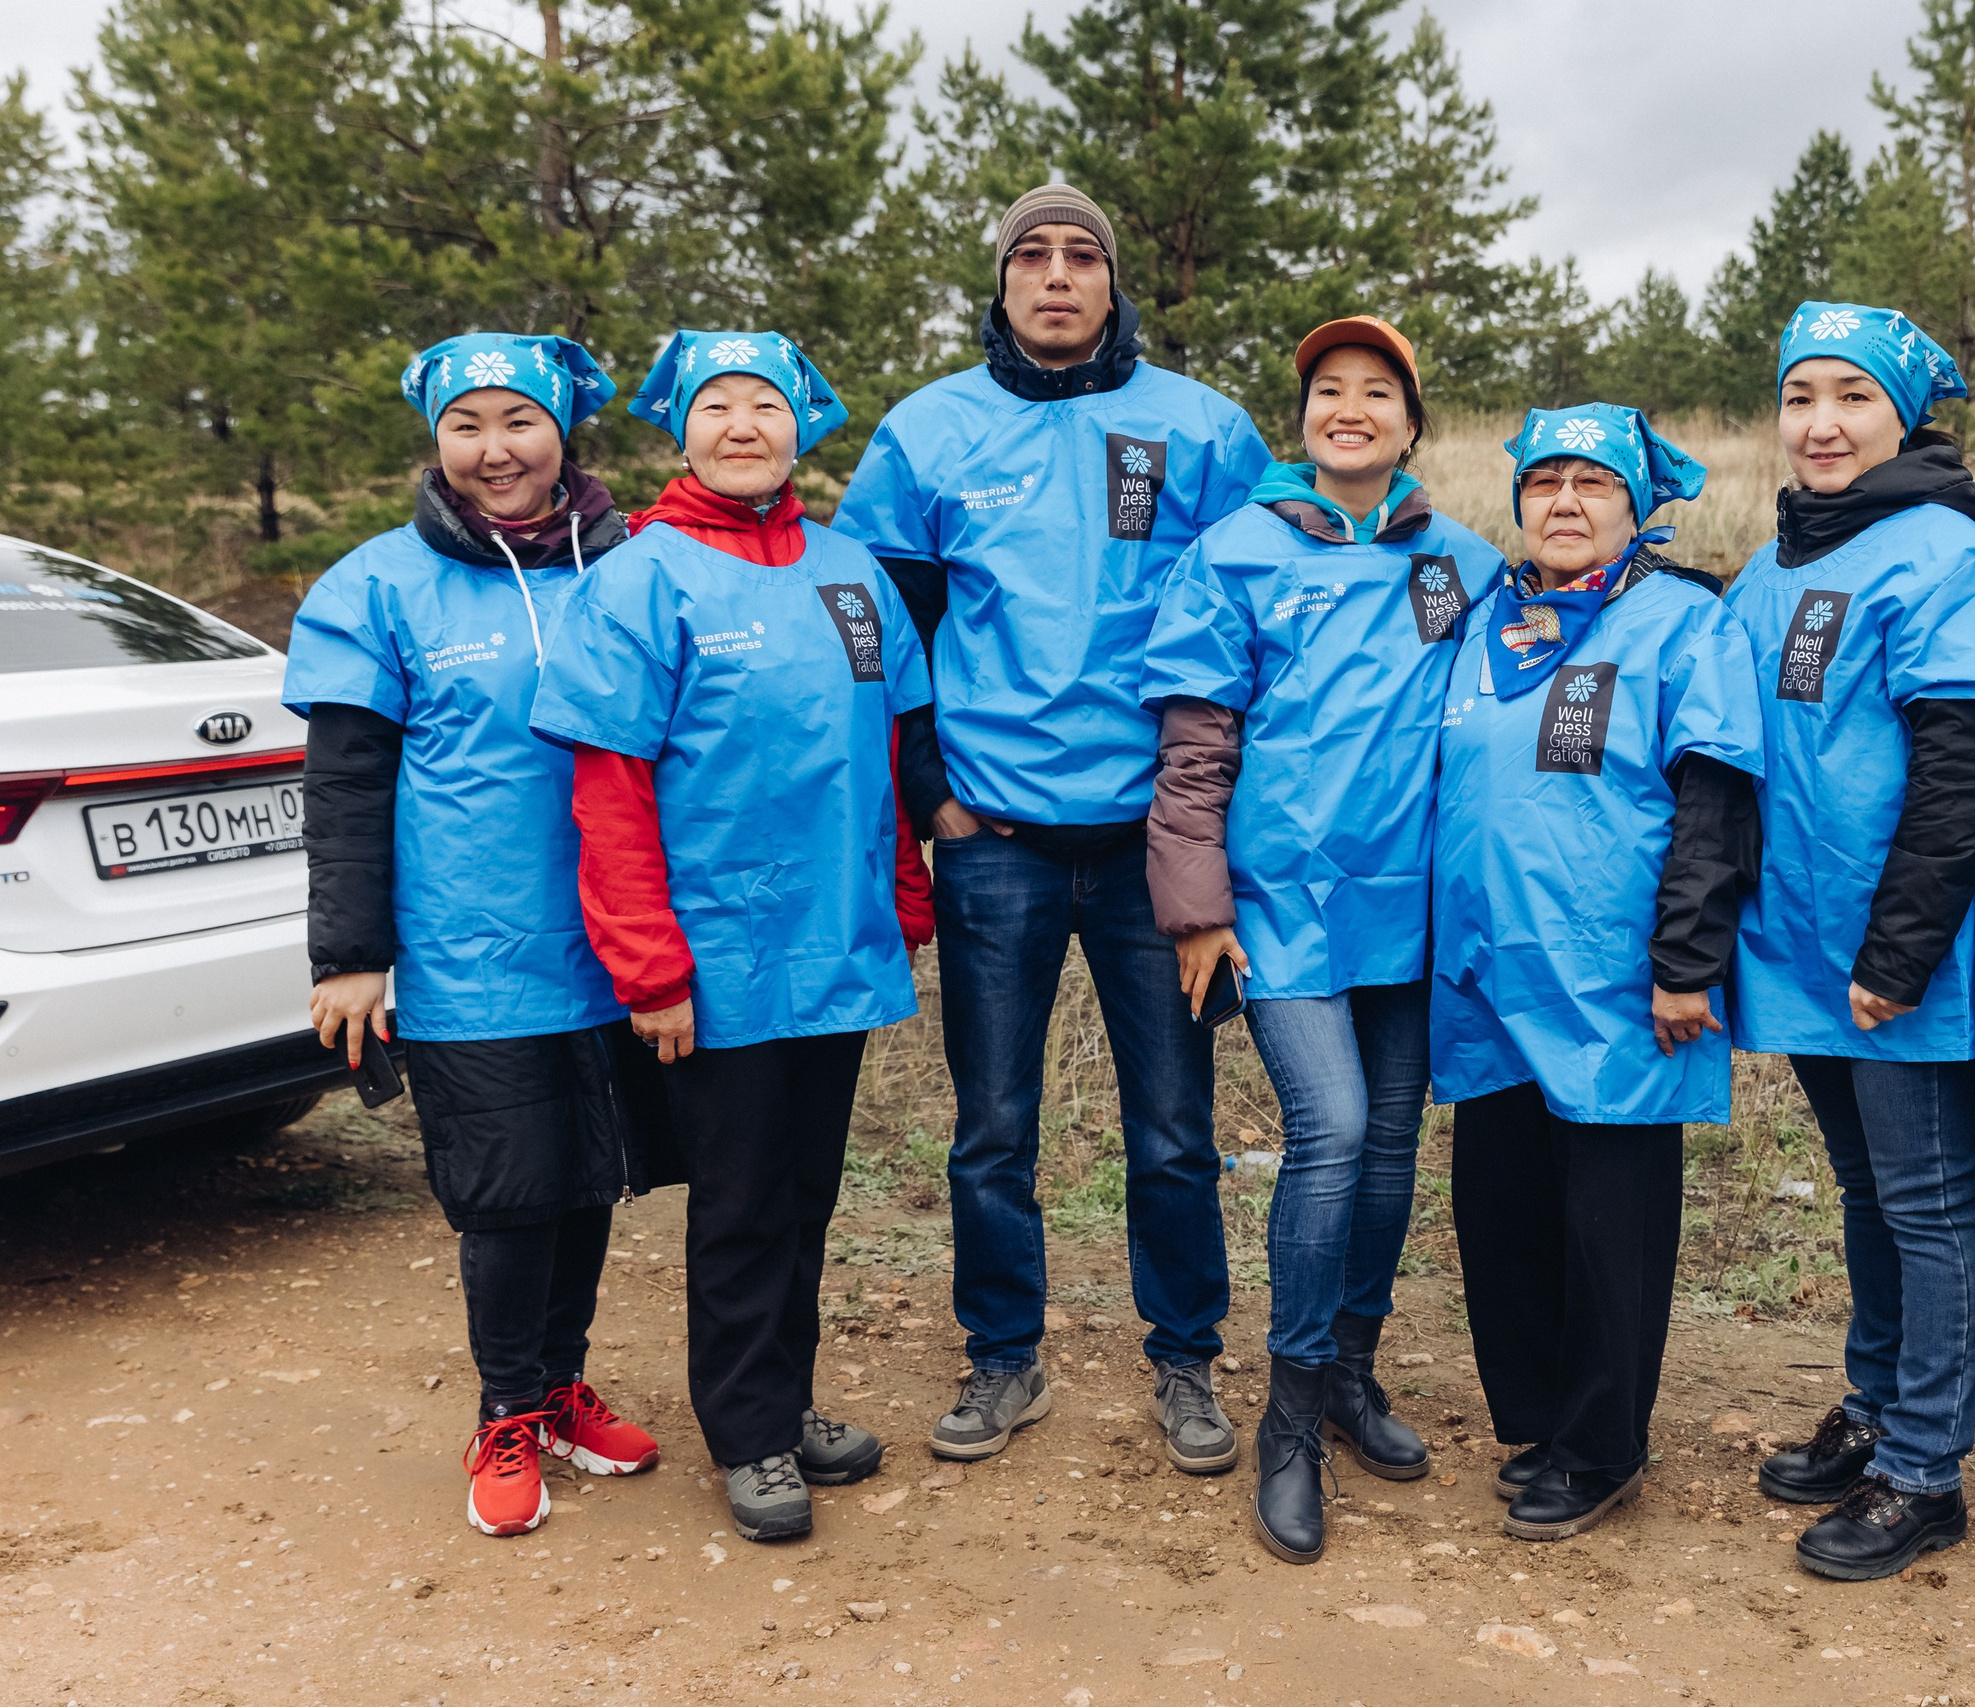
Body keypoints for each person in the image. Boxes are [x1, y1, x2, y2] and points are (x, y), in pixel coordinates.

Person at [832, 184, 1272, 1472]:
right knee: (993, 1126)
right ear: (1004, 281)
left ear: (1113, 280)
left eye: (1083, 255)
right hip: (999, 844)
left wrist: (1218, 818)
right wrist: (930, 800)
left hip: (1155, 851)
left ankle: (1185, 1360)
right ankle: (1001, 1357)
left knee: (1175, 1128)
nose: (1059, 276)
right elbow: (884, 637)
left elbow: (1260, 621)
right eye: (1034, 255)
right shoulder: (927, 433)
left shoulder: (1202, 429)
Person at [530, 329, 932, 1544]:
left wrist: (907, 905)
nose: (743, 426)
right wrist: (647, 967)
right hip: (716, 960)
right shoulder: (639, 578)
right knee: (745, 1201)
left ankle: (786, 1400)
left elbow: (896, 752)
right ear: (681, 428)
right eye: (718, 407)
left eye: (765, 405)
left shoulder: (852, 571)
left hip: (838, 947)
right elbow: (607, 789)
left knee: (809, 1193)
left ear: (801, 424)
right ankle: (749, 1433)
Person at [288, 332, 664, 1539]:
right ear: (436, 440)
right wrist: (349, 955)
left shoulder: (631, 569)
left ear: (563, 432)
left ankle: (560, 1390)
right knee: (508, 1195)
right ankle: (505, 1412)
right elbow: (347, 789)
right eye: (467, 426)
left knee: (591, 1181)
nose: (494, 449)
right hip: (471, 954)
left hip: (615, 944)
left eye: (518, 421)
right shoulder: (379, 586)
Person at [1140, 315, 1504, 1563]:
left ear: (1411, 423)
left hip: (1414, 904)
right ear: (1301, 420)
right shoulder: (1233, 551)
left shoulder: (1459, 560)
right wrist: (1195, 907)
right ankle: (1289, 1417)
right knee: (1333, 1130)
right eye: (1327, 391)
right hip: (1284, 899)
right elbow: (1193, 751)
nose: (1350, 408)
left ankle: (1353, 1371)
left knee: (1395, 1146)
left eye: (1377, 392)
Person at [1725, 304, 1975, 1581]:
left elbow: (1962, 767)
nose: (1820, 422)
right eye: (1801, 395)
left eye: (1851, 398)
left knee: (1923, 1197)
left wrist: (1899, 953)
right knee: (1866, 1189)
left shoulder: (1941, 554)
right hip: (1801, 943)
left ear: (1903, 418)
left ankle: (1925, 1468)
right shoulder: (1776, 562)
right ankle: (1873, 1408)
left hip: (1888, 953)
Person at [1433, 403, 1765, 1542]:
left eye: (1593, 485)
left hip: (1616, 982)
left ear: (1636, 508)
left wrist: (1687, 964)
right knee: (1502, 1210)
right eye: (1544, 483)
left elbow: (1715, 801)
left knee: (1605, 1225)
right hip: (1487, 974)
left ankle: (1603, 1445)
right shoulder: (1489, 620)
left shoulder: (1681, 622)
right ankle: (1537, 1422)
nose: (1564, 504)